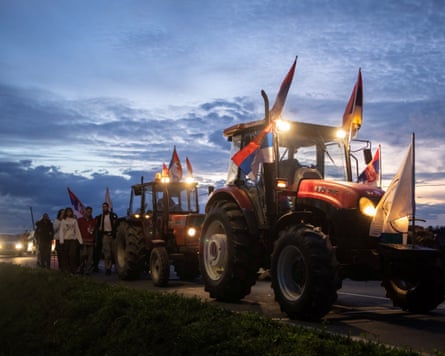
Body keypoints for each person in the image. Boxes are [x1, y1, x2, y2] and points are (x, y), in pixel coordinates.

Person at [95, 202, 118, 275]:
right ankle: (108, 268)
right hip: (105, 236)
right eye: (103, 207)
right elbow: (98, 227)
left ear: (108, 207)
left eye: (105, 207)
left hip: (112, 235)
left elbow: (116, 224)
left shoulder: (112, 215)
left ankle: (115, 267)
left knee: (113, 252)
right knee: (107, 253)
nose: (104, 208)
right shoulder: (101, 217)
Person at [60, 207, 83, 274]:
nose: (69, 213)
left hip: (73, 240)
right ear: (66, 213)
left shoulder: (74, 221)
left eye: (70, 211)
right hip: (66, 240)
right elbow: (61, 231)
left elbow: (77, 231)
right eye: (68, 212)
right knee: (65, 255)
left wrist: (80, 241)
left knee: (72, 255)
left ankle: (73, 270)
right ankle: (65, 270)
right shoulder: (63, 221)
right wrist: (61, 241)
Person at [77, 206, 96, 275]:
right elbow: (77, 230)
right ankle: (81, 267)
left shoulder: (93, 221)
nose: (89, 213)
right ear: (85, 212)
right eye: (88, 211)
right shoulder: (80, 220)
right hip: (83, 240)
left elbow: (95, 231)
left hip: (91, 241)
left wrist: (95, 240)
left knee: (90, 257)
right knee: (83, 255)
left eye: (90, 212)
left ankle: (87, 270)